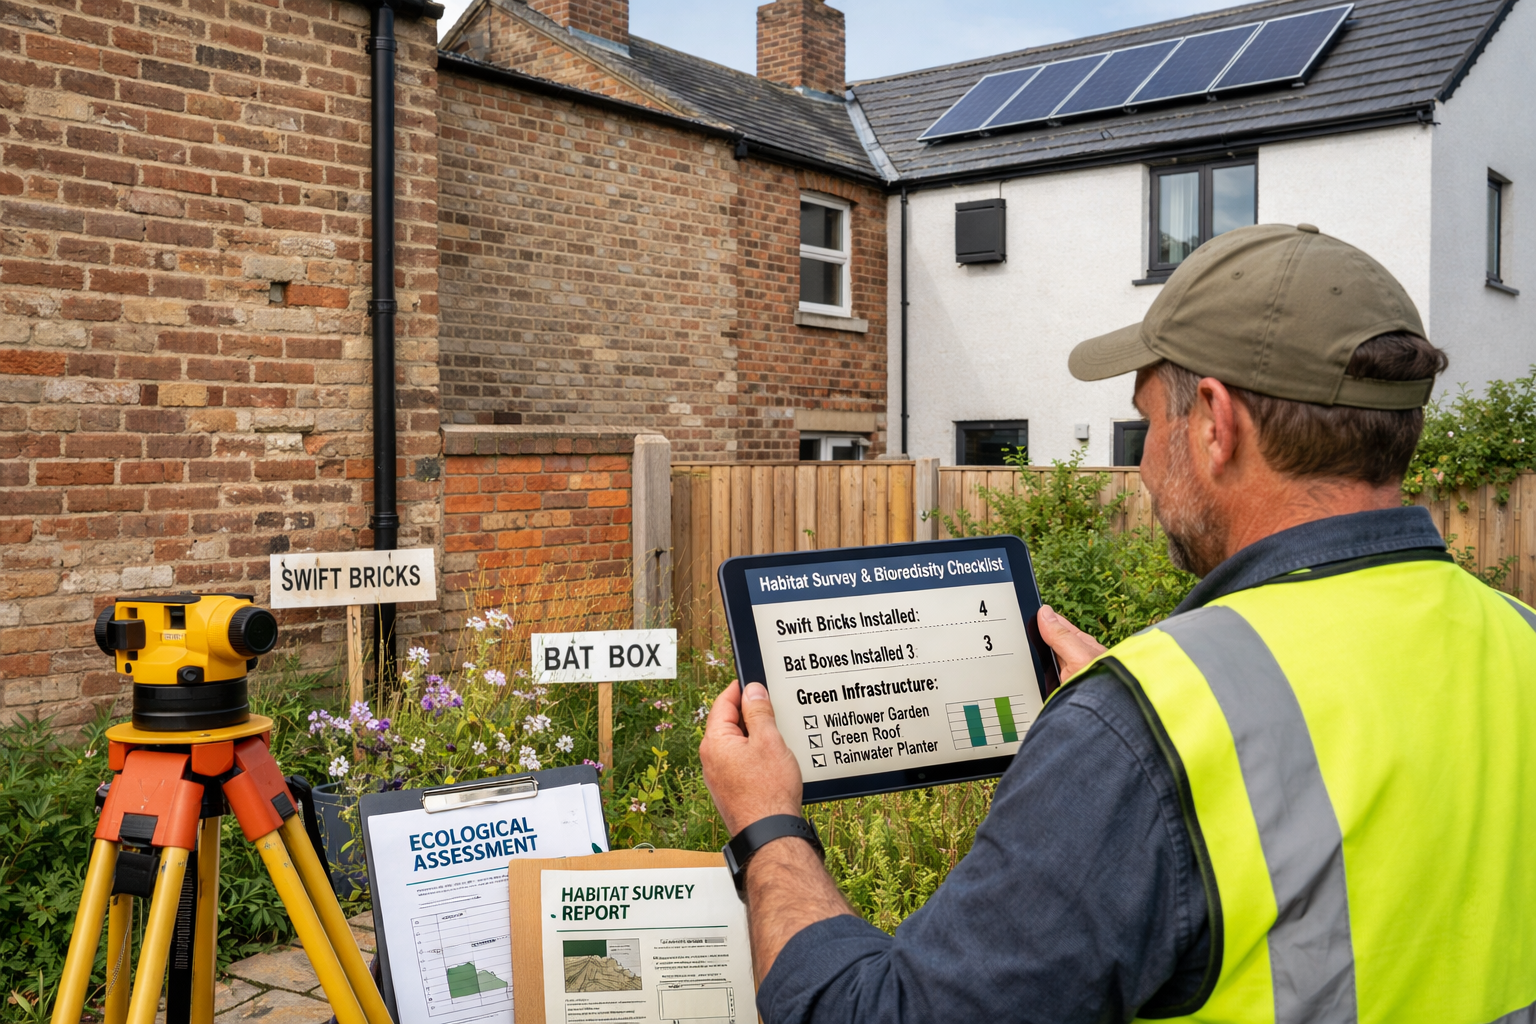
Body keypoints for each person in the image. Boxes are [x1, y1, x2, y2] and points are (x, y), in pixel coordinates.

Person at [699, 223, 1536, 1024]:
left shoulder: (1148, 726)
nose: (1140, 464)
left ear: (1215, 422)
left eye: (1147, 422)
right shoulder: (1519, 635)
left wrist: (767, 827)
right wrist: (1138, 714)